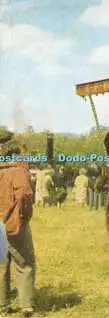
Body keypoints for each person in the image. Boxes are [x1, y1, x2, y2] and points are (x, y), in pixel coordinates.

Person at [0, 133, 36, 317]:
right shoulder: (19, 170)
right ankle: (27, 308)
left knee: (1, 265)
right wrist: (21, 217)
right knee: (25, 264)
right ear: (15, 154)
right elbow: (24, 196)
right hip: (14, 224)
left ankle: (3, 306)